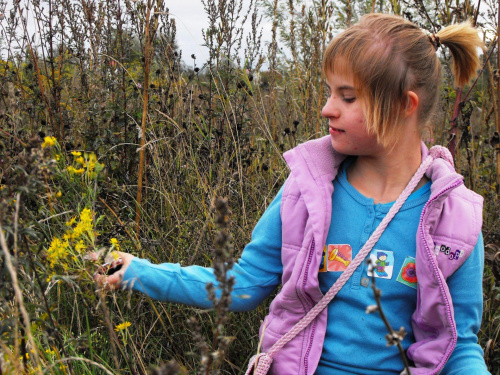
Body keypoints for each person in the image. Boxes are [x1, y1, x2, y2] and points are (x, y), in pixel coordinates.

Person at [96, 13, 490, 375]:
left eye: (347, 97)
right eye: (329, 92)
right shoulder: (307, 191)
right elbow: (244, 283)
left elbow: (458, 346)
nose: (326, 109)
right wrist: (142, 273)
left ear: (405, 105)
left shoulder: (454, 221)